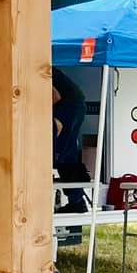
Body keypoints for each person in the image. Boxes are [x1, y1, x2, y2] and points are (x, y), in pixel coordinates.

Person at [52, 70, 91, 214]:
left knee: (58, 149)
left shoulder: (32, 67)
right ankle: (77, 201)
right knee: (66, 152)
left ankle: (77, 199)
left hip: (68, 104)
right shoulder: (38, 62)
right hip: (74, 103)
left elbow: (54, 96)